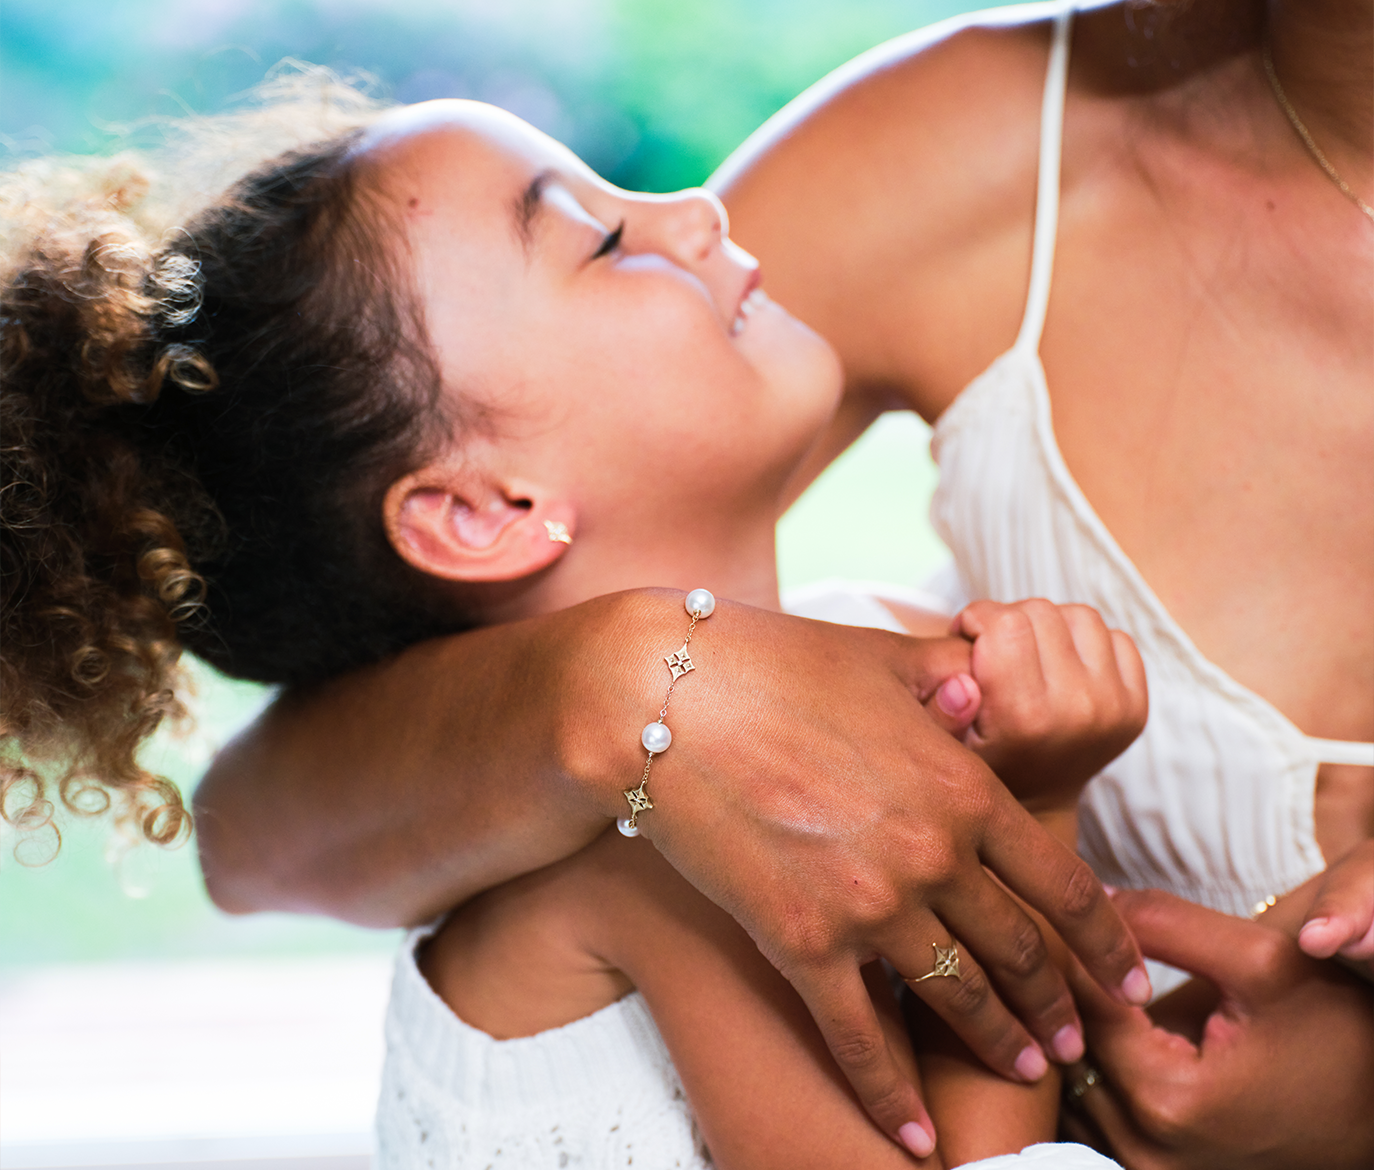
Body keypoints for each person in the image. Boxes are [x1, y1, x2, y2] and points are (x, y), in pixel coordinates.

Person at [181, 0, 1374, 1164]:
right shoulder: (955, 171)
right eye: (600, 233)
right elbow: (253, 817)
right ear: (477, 512)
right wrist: (628, 687)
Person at [0, 87, 1148, 1164]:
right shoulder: (650, 852)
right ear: (480, 510)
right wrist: (1032, 805)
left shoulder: (892, 638)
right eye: (597, 239)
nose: (695, 209)